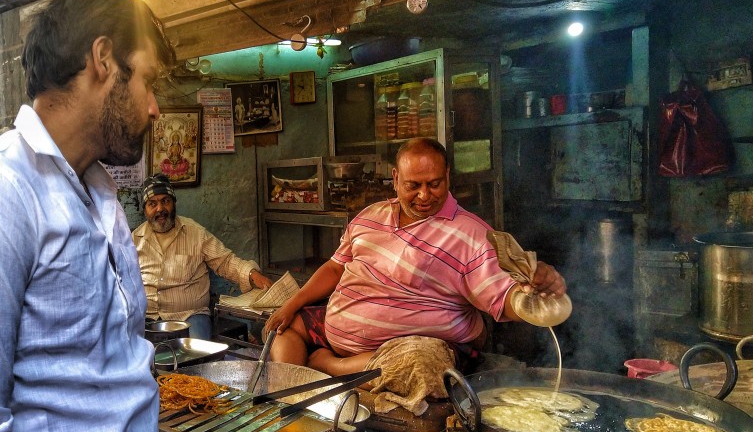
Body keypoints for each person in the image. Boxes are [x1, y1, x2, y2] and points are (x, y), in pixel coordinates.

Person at [0, 0, 182, 432]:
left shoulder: (98, 190)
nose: (154, 107)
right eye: (148, 81)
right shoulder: (10, 192)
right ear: (103, 60)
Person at [264, 137, 566, 375]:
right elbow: (334, 268)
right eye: (413, 185)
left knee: (420, 363)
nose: (424, 195)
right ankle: (292, 396)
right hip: (338, 334)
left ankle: (328, 367)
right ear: (395, 178)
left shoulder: (471, 234)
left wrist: (532, 294)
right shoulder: (370, 215)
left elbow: (505, 296)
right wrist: (290, 305)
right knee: (284, 328)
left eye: (434, 184)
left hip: (412, 352)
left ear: (447, 176)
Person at [133, 173, 274, 339]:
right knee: (138, 360)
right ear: (145, 210)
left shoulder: (195, 233)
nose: (160, 209)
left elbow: (225, 261)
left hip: (191, 315)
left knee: (198, 357)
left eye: (165, 201)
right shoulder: (134, 240)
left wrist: (252, 274)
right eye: (152, 204)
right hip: (148, 318)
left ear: (174, 203)